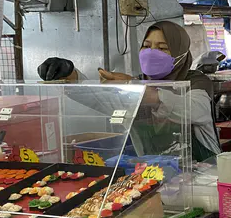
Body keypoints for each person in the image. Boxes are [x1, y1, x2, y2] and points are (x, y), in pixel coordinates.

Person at [38, 21, 221, 162]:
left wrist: (147, 93)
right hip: (156, 171)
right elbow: (100, 100)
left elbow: (196, 110)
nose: (151, 52)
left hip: (203, 172)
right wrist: (71, 76)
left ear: (180, 53)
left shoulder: (196, 81)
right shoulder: (135, 84)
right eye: (147, 46)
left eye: (162, 48)